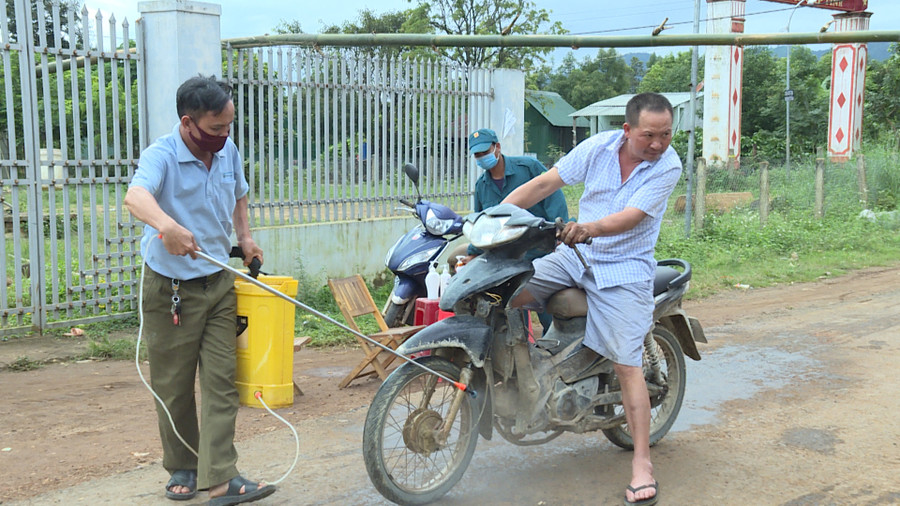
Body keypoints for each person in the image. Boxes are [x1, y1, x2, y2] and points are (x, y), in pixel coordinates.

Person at [502, 93, 682, 506]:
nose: (657, 143)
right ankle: (531, 381)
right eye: (649, 135)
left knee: (627, 364)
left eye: (666, 134)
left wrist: (589, 228)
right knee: (508, 294)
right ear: (627, 130)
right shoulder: (598, 147)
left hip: (624, 269)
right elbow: (546, 182)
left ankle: (642, 464)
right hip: (573, 257)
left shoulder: (667, 166)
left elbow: (631, 217)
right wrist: (494, 216)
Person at [124, 75, 275, 505]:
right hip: (170, 290)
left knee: (222, 382)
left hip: (218, 285)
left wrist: (245, 239)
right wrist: (167, 226)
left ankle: (222, 478)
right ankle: (185, 468)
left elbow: (239, 196)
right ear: (189, 123)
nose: (224, 136)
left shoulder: (227, 150)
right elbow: (136, 197)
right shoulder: (162, 154)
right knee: (173, 386)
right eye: (215, 128)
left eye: (229, 126)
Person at [457, 127, 569, 335]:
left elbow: (553, 196)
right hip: (507, 259)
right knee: (503, 306)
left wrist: (559, 234)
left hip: (541, 252)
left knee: (548, 309)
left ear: (497, 147)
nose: (482, 158)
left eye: (485, 152)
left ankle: (553, 345)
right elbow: (483, 223)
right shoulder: (482, 186)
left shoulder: (528, 168)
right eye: (478, 155)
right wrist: (472, 253)